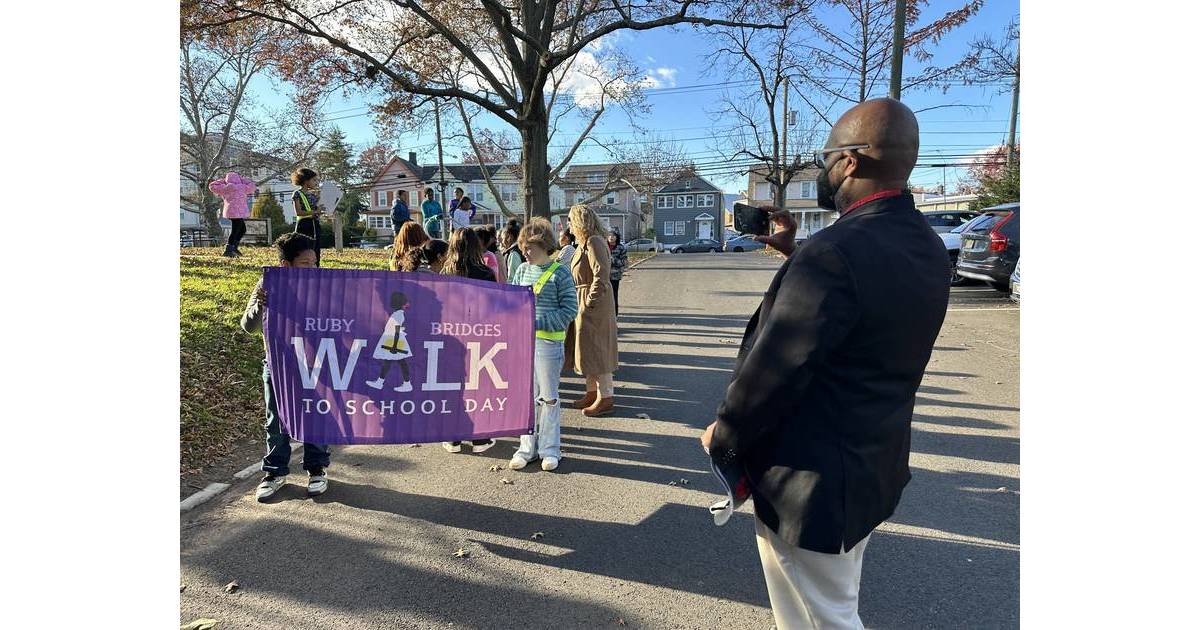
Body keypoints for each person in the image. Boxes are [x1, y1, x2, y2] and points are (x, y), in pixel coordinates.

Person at [700, 98, 950, 630]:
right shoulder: (923, 243)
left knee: (821, 620)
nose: (825, 170)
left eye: (829, 156)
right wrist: (798, 256)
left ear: (852, 161)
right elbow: (864, 309)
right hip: (868, 467)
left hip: (811, 482)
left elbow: (778, 366)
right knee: (836, 602)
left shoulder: (835, 254)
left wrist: (727, 431)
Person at [241, 232, 332, 501]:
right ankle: (274, 472)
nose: (312, 268)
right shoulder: (266, 285)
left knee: (315, 416)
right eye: (305, 263)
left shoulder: (322, 286)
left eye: (314, 262)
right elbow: (249, 327)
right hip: (278, 365)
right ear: (286, 265)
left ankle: (317, 469)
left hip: (314, 363)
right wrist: (261, 303)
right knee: (276, 421)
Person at [508, 218, 578, 472]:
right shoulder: (521, 271)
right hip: (522, 344)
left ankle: (550, 449)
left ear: (543, 245)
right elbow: (510, 303)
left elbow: (570, 309)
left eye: (529, 247)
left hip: (549, 344)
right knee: (525, 398)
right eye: (523, 247)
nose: (524, 252)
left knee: (548, 398)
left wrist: (537, 323)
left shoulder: (560, 273)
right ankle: (526, 448)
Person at [440, 227, 500, 453]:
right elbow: (493, 308)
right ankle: (479, 437)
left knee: (453, 388)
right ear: (476, 246)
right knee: (479, 386)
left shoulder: (445, 274)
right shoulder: (485, 274)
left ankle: (453, 437)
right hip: (479, 336)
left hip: (452, 337)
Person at [567, 204, 619, 417]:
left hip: (594, 303)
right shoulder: (582, 244)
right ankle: (591, 392)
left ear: (579, 221)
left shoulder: (594, 241)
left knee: (597, 350)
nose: (567, 225)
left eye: (570, 220)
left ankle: (605, 396)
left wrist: (590, 301)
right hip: (583, 299)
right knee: (587, 349)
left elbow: (602, 275)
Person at [366, 292, 414, 393]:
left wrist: (394, 346)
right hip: (392, 340)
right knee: (390, 363)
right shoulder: (397, 314)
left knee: (400, 363)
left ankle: (406, 384)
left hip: (395, 342)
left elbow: (396, 331)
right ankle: (381, 382)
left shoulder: (398, 315)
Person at [208, 171, 256, 258]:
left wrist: (223, 181)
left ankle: (233, 248)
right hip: (239, 211)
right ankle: (229, 249)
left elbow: (212, 186)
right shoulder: (243, 187)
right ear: (238, 179)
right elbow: (252, 186)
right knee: (236, 231)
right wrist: (242, 179)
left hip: (231, 211)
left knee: (241, 229)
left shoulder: (225, 187)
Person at [291, 168, 324, 266]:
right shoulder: (297, 194)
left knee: (316, 248)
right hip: (304, 225)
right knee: (303, 248)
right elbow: (299, 212)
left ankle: (316, 267)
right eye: (314, 180)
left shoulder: (314, 195)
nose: (316, 182)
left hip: (315, 224)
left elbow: (317, 211)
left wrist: (320, 211)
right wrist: (314, 212)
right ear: (306, 181)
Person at [607, 228, 628, 317]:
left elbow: (624, 262)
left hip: (615, 276)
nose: (611, 237)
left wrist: (613, 260)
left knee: (613, 296)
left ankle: (614, 316)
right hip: (603, 276)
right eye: (609, 235)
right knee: (604, 298)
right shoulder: (603, 246)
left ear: (617, 237)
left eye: (613, 235)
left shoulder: (621, 248)